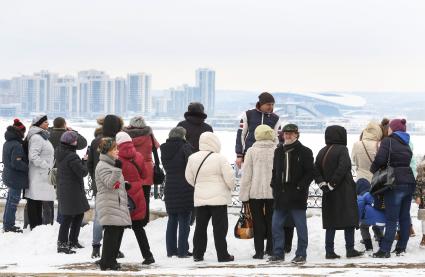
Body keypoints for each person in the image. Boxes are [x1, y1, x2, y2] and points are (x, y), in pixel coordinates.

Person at [313, 125, 363, 259]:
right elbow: (343, 167)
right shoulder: (342, 149)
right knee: (349, 220)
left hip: (328, 193)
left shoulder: (322, 151)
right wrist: (332, 184)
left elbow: (315, 169)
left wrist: (323, 184)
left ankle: (329, 251)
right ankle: (350, 249)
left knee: (331, 222)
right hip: (344, 190)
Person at [185, 132, 235, 262]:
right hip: (218, 199)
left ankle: (197, 254)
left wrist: (200, 185)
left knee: (200, 228)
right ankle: (222, 255)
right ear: (215, 142)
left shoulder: (192, 158)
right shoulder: (220, 158)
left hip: (201, 199)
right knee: (219, 229)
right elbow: (229, 178)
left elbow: (189, 177)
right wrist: (231, 187)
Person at [268, 124, 313, 264]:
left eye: (291, 133)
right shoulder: (278, 151)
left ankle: (301, 254)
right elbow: (275, 171)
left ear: (296, 134)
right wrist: (274, 185)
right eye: (285, 133)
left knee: (300, 226)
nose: (287, 135)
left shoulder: (305, 151)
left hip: (297, 196)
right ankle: (278, 253)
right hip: (281, 195)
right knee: (276, 225)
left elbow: (310, 172)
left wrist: (300, 187)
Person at [371, 119, 416, 258]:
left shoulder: (388, 141)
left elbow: (380, 159)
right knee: (404, 216)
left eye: (389, 128)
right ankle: (401, 247)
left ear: (393, 129)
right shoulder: (406, 142)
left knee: (391, 218)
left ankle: (385, 250)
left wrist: (373, 169)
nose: (388, 130)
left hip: (395, 183)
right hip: (409, 181)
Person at [87, 114, 125, 259]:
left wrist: (96, 178)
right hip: (114, 184)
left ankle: (96, 247)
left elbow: (89, 164)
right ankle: (114, 249)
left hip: (100, 185)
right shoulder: (117, 143)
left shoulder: (95, 141)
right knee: (115, 217)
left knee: (99, 216)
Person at [116, 131, 155, 265]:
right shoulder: (138, 156)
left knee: (118, 227)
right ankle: (148, 255)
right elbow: (145, 174)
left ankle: (113, 253)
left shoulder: (117, 158)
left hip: (123, 193)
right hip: (137, 193)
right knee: (138, 228)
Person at [239, 125, 276, 259]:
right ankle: (271, 249)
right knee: (272, 221)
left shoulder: (251, 151)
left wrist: (244, 195)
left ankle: (259, 252)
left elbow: (247, 175)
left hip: (255, 192)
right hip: (273, 193)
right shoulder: (277, 150)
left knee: (258, 222)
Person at [95, 137, 131, 271]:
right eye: (114, 149)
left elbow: (114, 184)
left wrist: (124, 185)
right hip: (108, 204)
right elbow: (109, 184)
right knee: (112, 233)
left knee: (117, 232)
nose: (117, 151)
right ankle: (107, 262)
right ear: (107, 151)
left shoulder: (111, 164)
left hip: (115, 202)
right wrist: (117, 171)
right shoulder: (103, 165)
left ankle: (110, 260)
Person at [160, 127, 195, 258]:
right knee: (184, 220)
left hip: (170, 187)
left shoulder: (164, 149)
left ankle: (171, 250)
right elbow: (191, 165)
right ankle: (182, 251)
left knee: (172, 220)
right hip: (184, 187)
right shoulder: (185, 148)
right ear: (182, 136)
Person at [55, 131, 90, 254]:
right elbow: (83, 172)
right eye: (75, 140)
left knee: (78, 214)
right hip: (72, 190)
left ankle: (72, 241)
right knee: (68, 217)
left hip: (66, 188)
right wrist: (85, 161)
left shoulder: (60, 151)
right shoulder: (72, 156)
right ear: (72, 143)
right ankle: (62, 244)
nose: (76, 142)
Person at [351, 121, 384, 251]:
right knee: (376, 209)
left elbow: (354, 159)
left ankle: (367, 242)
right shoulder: (380, 145)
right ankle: (380, 237)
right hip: (377, 182)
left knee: (362, 210)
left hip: (361, 180)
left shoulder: (357, 144)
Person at [49, 116, 87, 224]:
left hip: (52, 169)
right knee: (65, 197)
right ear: (64, 124)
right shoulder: (67, 136)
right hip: (68, 169)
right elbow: (83, 143)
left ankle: (51, 221)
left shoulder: (49, 134)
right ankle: (63, 220)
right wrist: (73, 131)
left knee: (53, 196)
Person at [123, 116, 160, 224]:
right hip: (147, 169)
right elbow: (155, 148)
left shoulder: (126, 136)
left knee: (130, 195)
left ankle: (130, 219)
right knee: (145, 196)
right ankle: (144, 219)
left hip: (131, 167)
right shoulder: (149, 135)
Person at [25, 114, 56, 230]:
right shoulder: (37, 137)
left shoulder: (43, 136)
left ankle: (37, 228)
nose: (48, 123)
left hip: (42, 174)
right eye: (45, 122)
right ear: (39, 124)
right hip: (38, 175)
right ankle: (35, 227)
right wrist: (46, 166)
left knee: (38, 201)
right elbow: (33, 156)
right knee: (34, 201)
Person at [235, 92, 280, 169]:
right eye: (268, 104)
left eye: (272, 104)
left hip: (268, 155)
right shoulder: (248, 115)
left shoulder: (276, 118)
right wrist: (239, 155)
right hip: (249, 153)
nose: (271, 107)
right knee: (248, 177)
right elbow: (241, 135)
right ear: (261, 104)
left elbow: (277, 138)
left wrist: (276, 154)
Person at [2, 119, 28, 233]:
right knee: (13, 202)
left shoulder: (7, 143)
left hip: (9, 176)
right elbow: (16, 163)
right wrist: (28, 167)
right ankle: (9, 226)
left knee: (9, 201)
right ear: (20, 132)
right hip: (15, 178)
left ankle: (7, 224)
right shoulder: (17, 145)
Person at [415, 155, 425, 247]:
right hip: (423, 199)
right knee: (424, 219)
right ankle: (424, 236)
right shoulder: (421, 169)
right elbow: (417, 185)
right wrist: (417, 196)